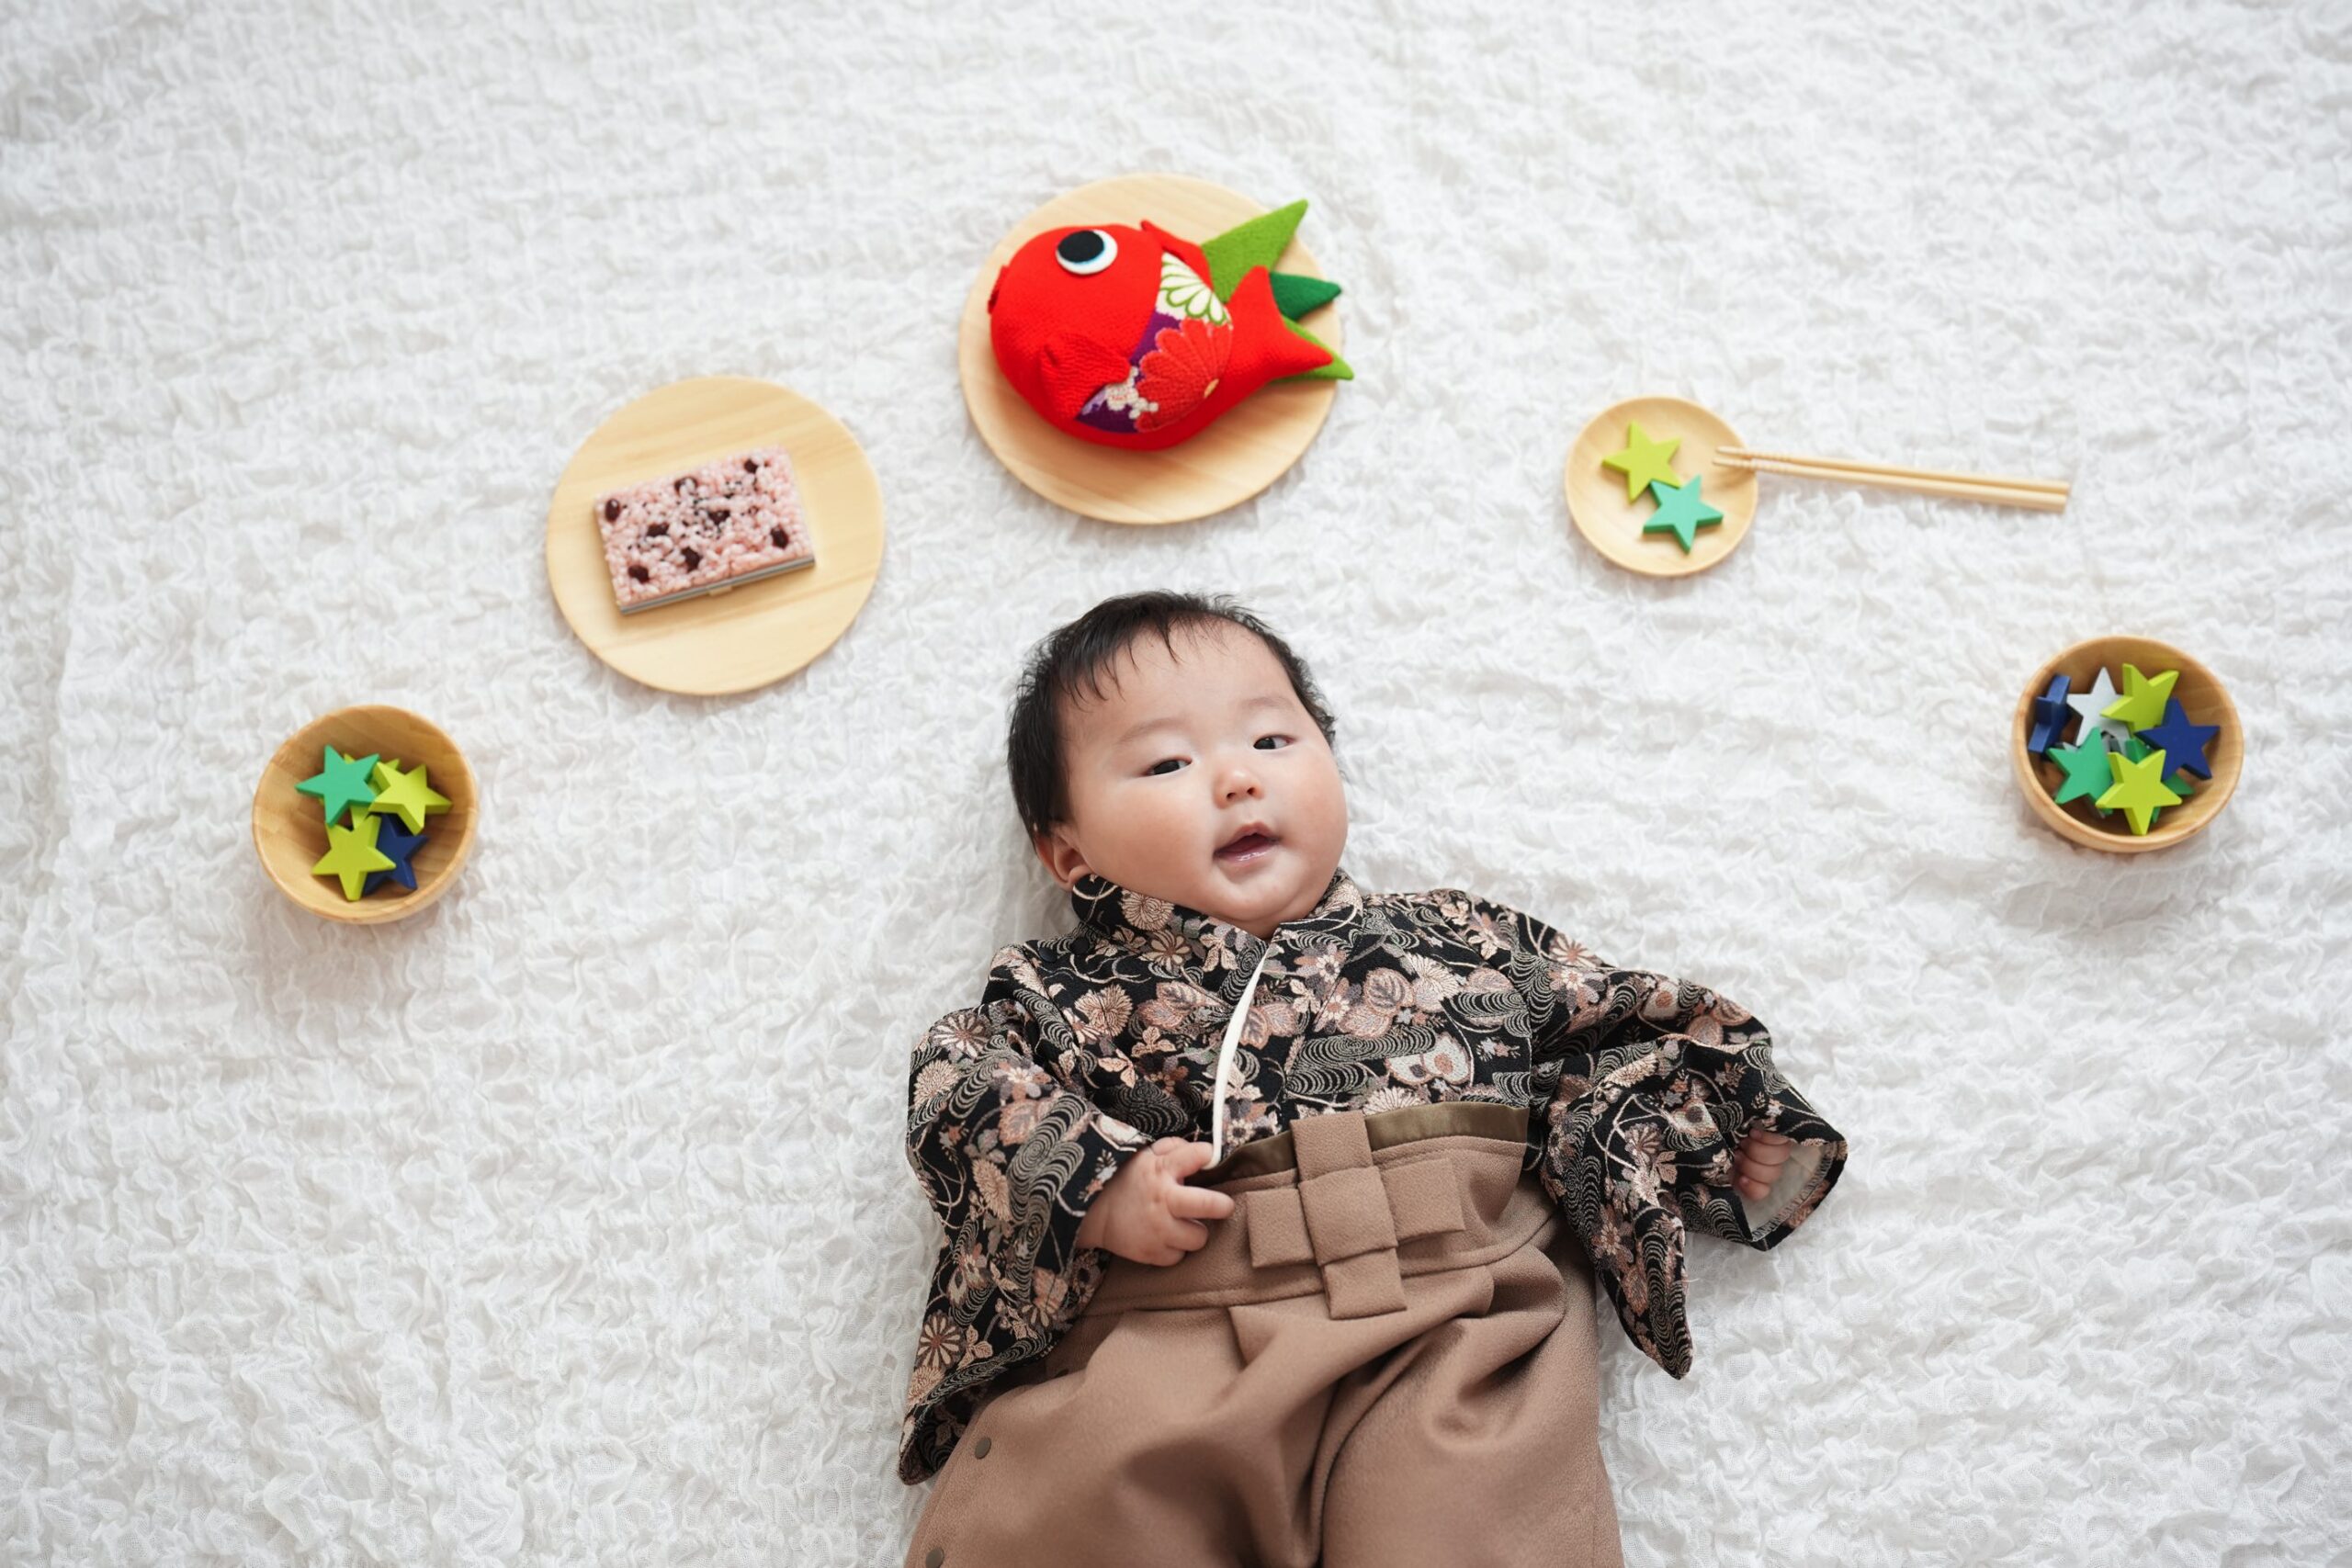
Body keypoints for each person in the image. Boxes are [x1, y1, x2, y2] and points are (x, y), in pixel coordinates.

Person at [897, 591, 1849, 1566]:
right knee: (1089, 1504)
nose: (1234, 781)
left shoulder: (1460, 942)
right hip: (1174, 1322)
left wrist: (1713, 1126)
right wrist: (1094, 1185)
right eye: (1167, 763)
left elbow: (1630, 1032)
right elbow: (956, 1083)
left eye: (1271, 742)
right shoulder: (1058, 990)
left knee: (1475, 1524)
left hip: (1448, 1321)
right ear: (1071, 854)